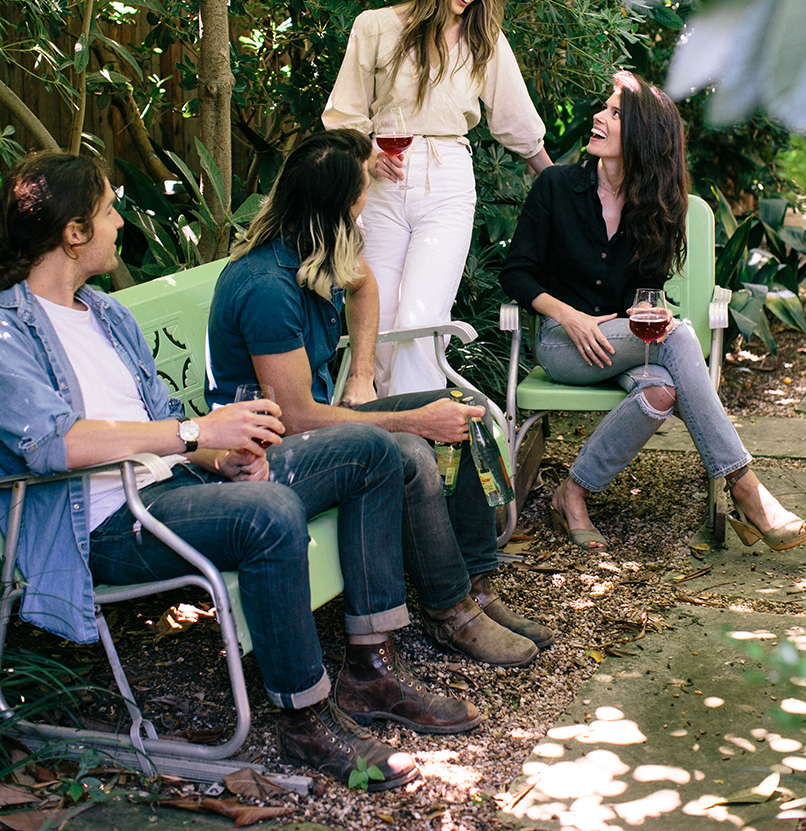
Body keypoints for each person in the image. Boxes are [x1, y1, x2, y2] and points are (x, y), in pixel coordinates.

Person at [0, 151, 489, 796]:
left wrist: (220, 451)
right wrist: (197, 433)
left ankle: (370, 672)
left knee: (371, 450)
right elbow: (52, 444)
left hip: (173, 488)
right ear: (74, 233)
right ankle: (305, 721)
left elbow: (168, 422)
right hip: (103, 525)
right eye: (108, 210)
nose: (119, 222)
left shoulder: (107, 315)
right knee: (270, 512)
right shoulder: (11, 329)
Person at [206, 129, 552, 668]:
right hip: (259, 451)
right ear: (339, 208)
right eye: (362, 191)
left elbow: (364, 287)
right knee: (414, 449)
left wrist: (362, 373)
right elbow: (294, 418)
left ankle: (477, 584)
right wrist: (414, 420)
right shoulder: (267, 288)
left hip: (317, 427)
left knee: (463, 415)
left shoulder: (314, 247)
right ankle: (450, 611)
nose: (368, 200)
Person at [499, 72, 806, 554]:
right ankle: (746, 489)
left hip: (626, 345)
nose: (599, 118)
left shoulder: (658, 206)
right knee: (681, 338)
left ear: (642, 135)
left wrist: (647, 313)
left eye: (615, 114)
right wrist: (571, 316)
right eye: (604, 108)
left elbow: (645, 293)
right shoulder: (556, 187)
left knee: (663, 391)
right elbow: (516, 274)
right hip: (566, 345)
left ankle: (573, 494)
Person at [322, 0, 552, 396]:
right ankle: (385, 444)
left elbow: (518, 122)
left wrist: (554, 181)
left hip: (447, 180)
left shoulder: (484, 41)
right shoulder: (376, 27)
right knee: (379, 323)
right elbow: (343, 112)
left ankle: (419, 438)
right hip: (382, 185)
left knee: (421, 318)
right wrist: (366, 153)